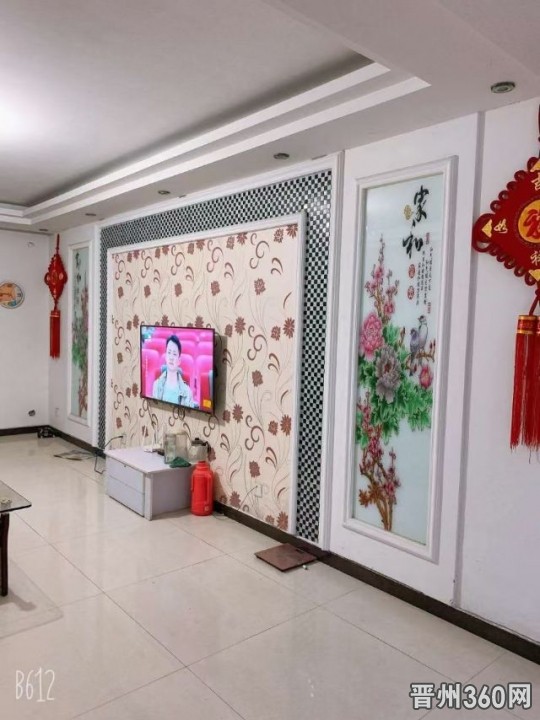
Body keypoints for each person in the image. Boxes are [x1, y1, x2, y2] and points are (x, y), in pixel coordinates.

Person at [152, 335, 197, 408]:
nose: (171, 358)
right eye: (169, 352)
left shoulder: (187, 392)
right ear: (165, 357)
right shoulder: (156, 385)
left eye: (174, 354)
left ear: (179, 361)